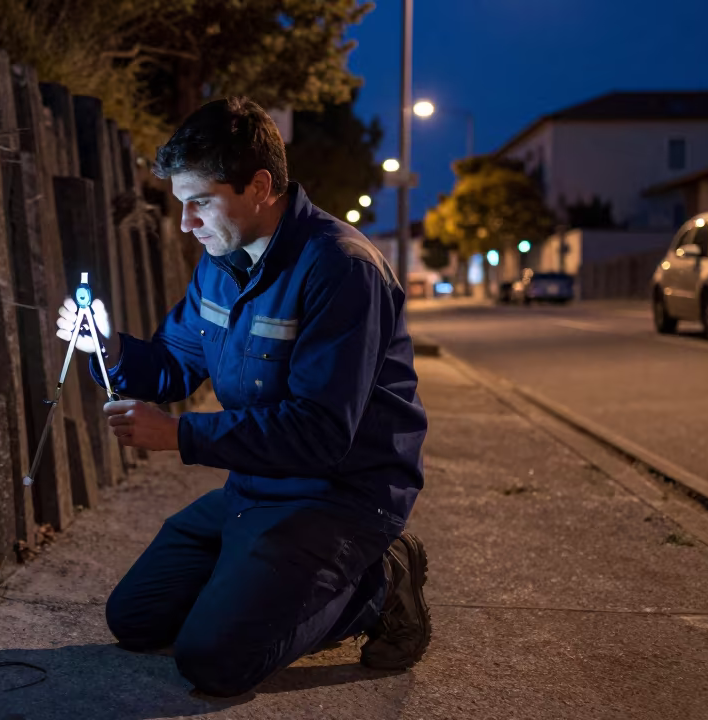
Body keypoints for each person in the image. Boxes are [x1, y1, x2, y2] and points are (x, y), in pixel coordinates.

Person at [55, 97, 430, 698]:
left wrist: (178, 436)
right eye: (181, 203)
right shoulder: (220, 263)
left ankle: (378, 582)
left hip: (340, 499)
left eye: (200, 201)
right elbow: (176, 365)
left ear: (259, 187)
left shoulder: (341, 268)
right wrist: (109, 348)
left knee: (214, 661)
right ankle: (262, 588)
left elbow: (320, 432)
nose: (186, 222)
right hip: (257, 487)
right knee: (136, 619)